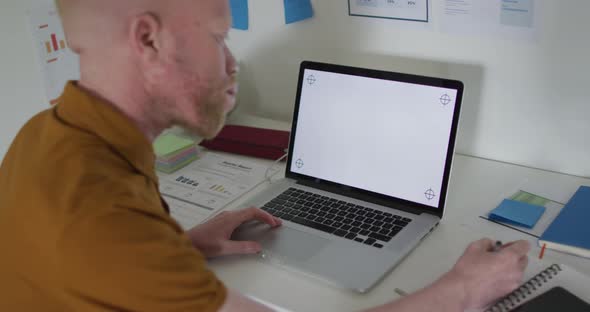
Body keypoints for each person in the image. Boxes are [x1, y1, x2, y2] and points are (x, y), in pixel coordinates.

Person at [0, 0, 530, 311]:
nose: (232, 64)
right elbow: (111, 244)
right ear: (148, 40)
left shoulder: (46, 138)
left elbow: (110, 266)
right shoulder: (102, 217)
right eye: (218, 39)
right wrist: (462, 288)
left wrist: (184, 246)